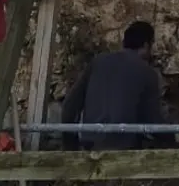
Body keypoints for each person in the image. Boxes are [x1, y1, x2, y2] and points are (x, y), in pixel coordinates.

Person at [61, 20, 166, 151]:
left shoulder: (98, 63)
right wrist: (171, 143)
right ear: (146, 45)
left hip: (91, 145)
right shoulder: (147, 72)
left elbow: (70, 106)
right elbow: (153, 120)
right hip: (124, 148)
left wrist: (70, 146)